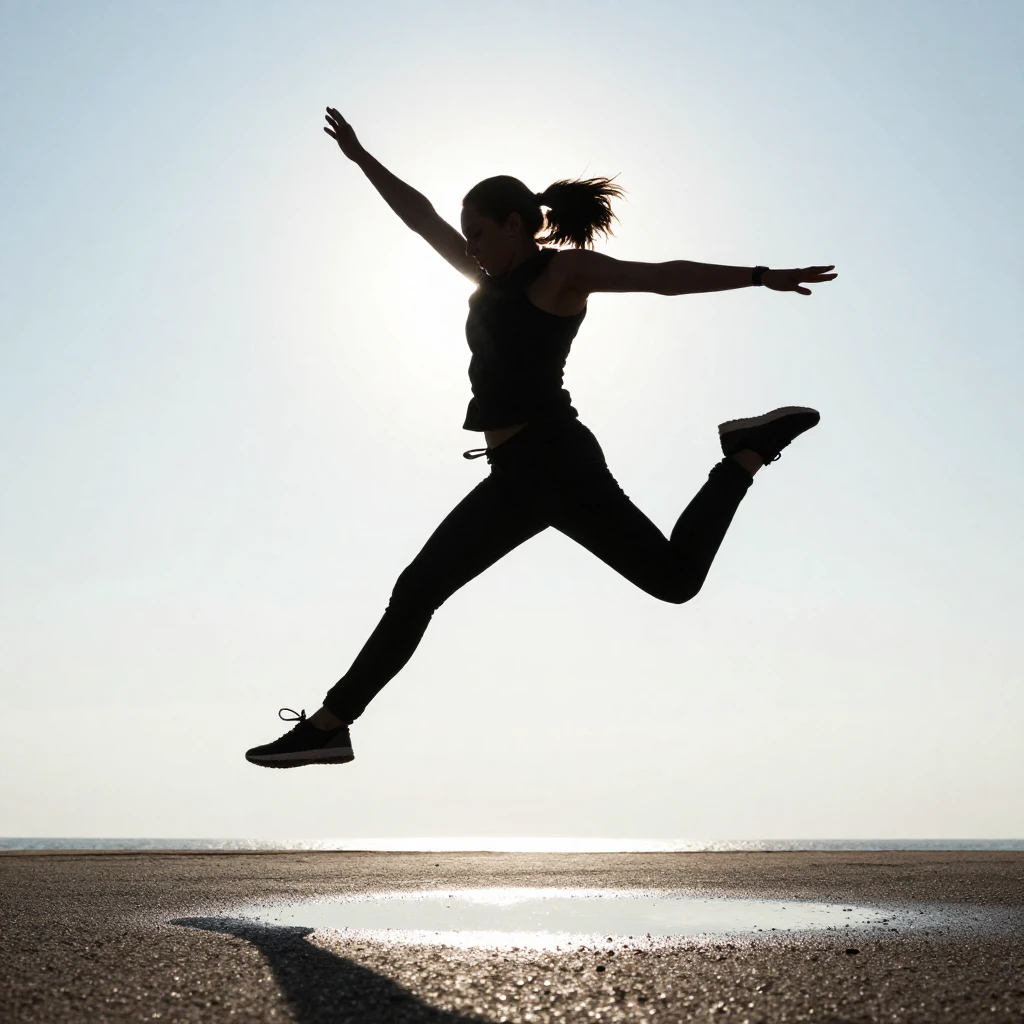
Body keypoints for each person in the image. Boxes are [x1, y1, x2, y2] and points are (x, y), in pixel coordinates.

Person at [245, 106, 838, 769]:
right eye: (464, 235)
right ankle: (330, 726)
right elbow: (419, 219)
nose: (467, 244)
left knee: (674, 581)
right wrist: (360, 158)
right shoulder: (486, 282)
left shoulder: (559, 277)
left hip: (554, 463)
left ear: (516, 225)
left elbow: (660, 277)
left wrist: (758, 276)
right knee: (418, 590)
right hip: (517, 476)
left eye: (478, 232)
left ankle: (744, 456)